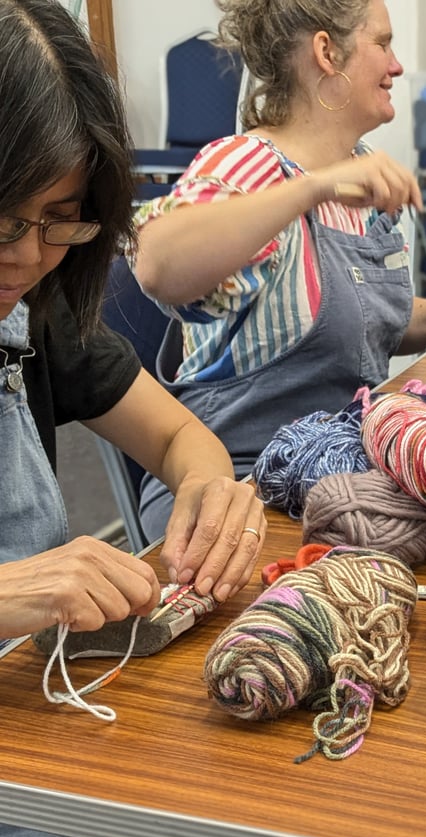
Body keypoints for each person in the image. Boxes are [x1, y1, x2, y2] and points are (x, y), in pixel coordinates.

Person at [131, 0, 426, 539]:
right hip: (233, 496)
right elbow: (157, 263)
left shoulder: (358, 172)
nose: (396, 66)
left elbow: (363, 316)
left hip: (336, 474)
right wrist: (310, 187)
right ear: (326, 52)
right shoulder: (245, 165)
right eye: (383, 43)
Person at [0, 0, 267, 640]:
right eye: (6, 218)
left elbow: (180, 438)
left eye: (62, 218)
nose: (31, 255)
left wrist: (209, 495)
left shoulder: (32, 311)